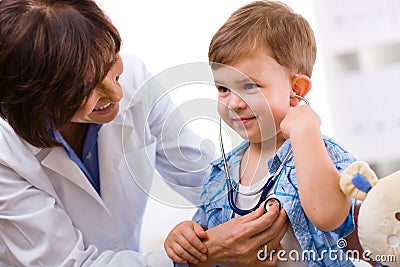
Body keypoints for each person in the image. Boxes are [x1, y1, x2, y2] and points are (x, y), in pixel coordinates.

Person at [0, 0, 288, 266]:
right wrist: (200, 252)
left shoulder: (135, 80)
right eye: (85, 90)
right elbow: (73, 264)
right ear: (38, 101)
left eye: (111, 63)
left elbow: (204, 180)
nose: (115, 92)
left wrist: (281, 193)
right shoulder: (6, 154)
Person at [164, 1, 357, 266]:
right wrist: (184, 238)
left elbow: (329, 215)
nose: (233, 102)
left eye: (249, 86)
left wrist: (305, 131)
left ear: (296, 88)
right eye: (223, 88)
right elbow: (205, 240)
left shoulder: (322, 152)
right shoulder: (221, 172)